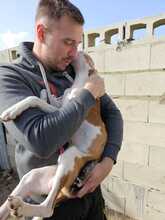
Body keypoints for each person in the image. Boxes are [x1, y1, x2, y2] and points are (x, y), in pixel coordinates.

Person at [0, 0, 123, 219]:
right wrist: (87, 95)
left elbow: (113, 114)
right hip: (52, 204)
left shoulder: (73, 72)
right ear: (41, 32)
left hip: (91, 195)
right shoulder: (10, 76)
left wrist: (108, 161)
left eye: (77, 44)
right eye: (68, 42)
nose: (74, 52)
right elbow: (42, 141)